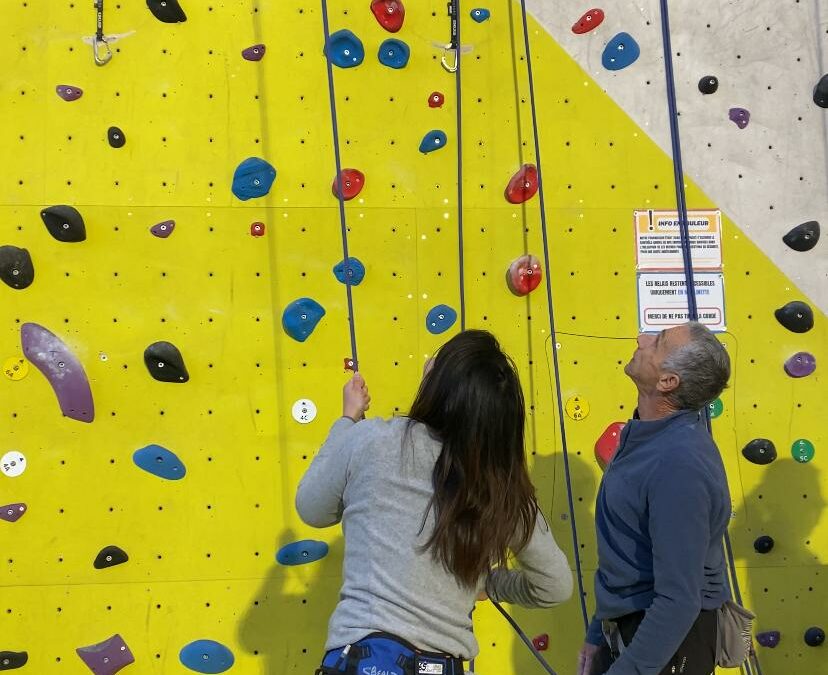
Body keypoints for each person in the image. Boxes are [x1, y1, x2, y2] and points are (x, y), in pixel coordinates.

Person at [296, 329, 573, 675]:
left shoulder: (373, 440)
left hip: (362, 659)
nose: (426, 363)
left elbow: (312, 507)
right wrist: (490, 584)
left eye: (435, 363)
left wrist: (347, 421)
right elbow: (555, 585)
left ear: (440, 386)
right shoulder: (502, 486)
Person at [577, 321, 733, 675]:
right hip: (634, 632)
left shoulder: (679, 464)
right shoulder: (644, 437)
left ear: (668, 382)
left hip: (668, 642)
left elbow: (679, 600)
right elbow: (626, 550)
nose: (641, 339)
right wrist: (597, 633)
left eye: (657, 341)